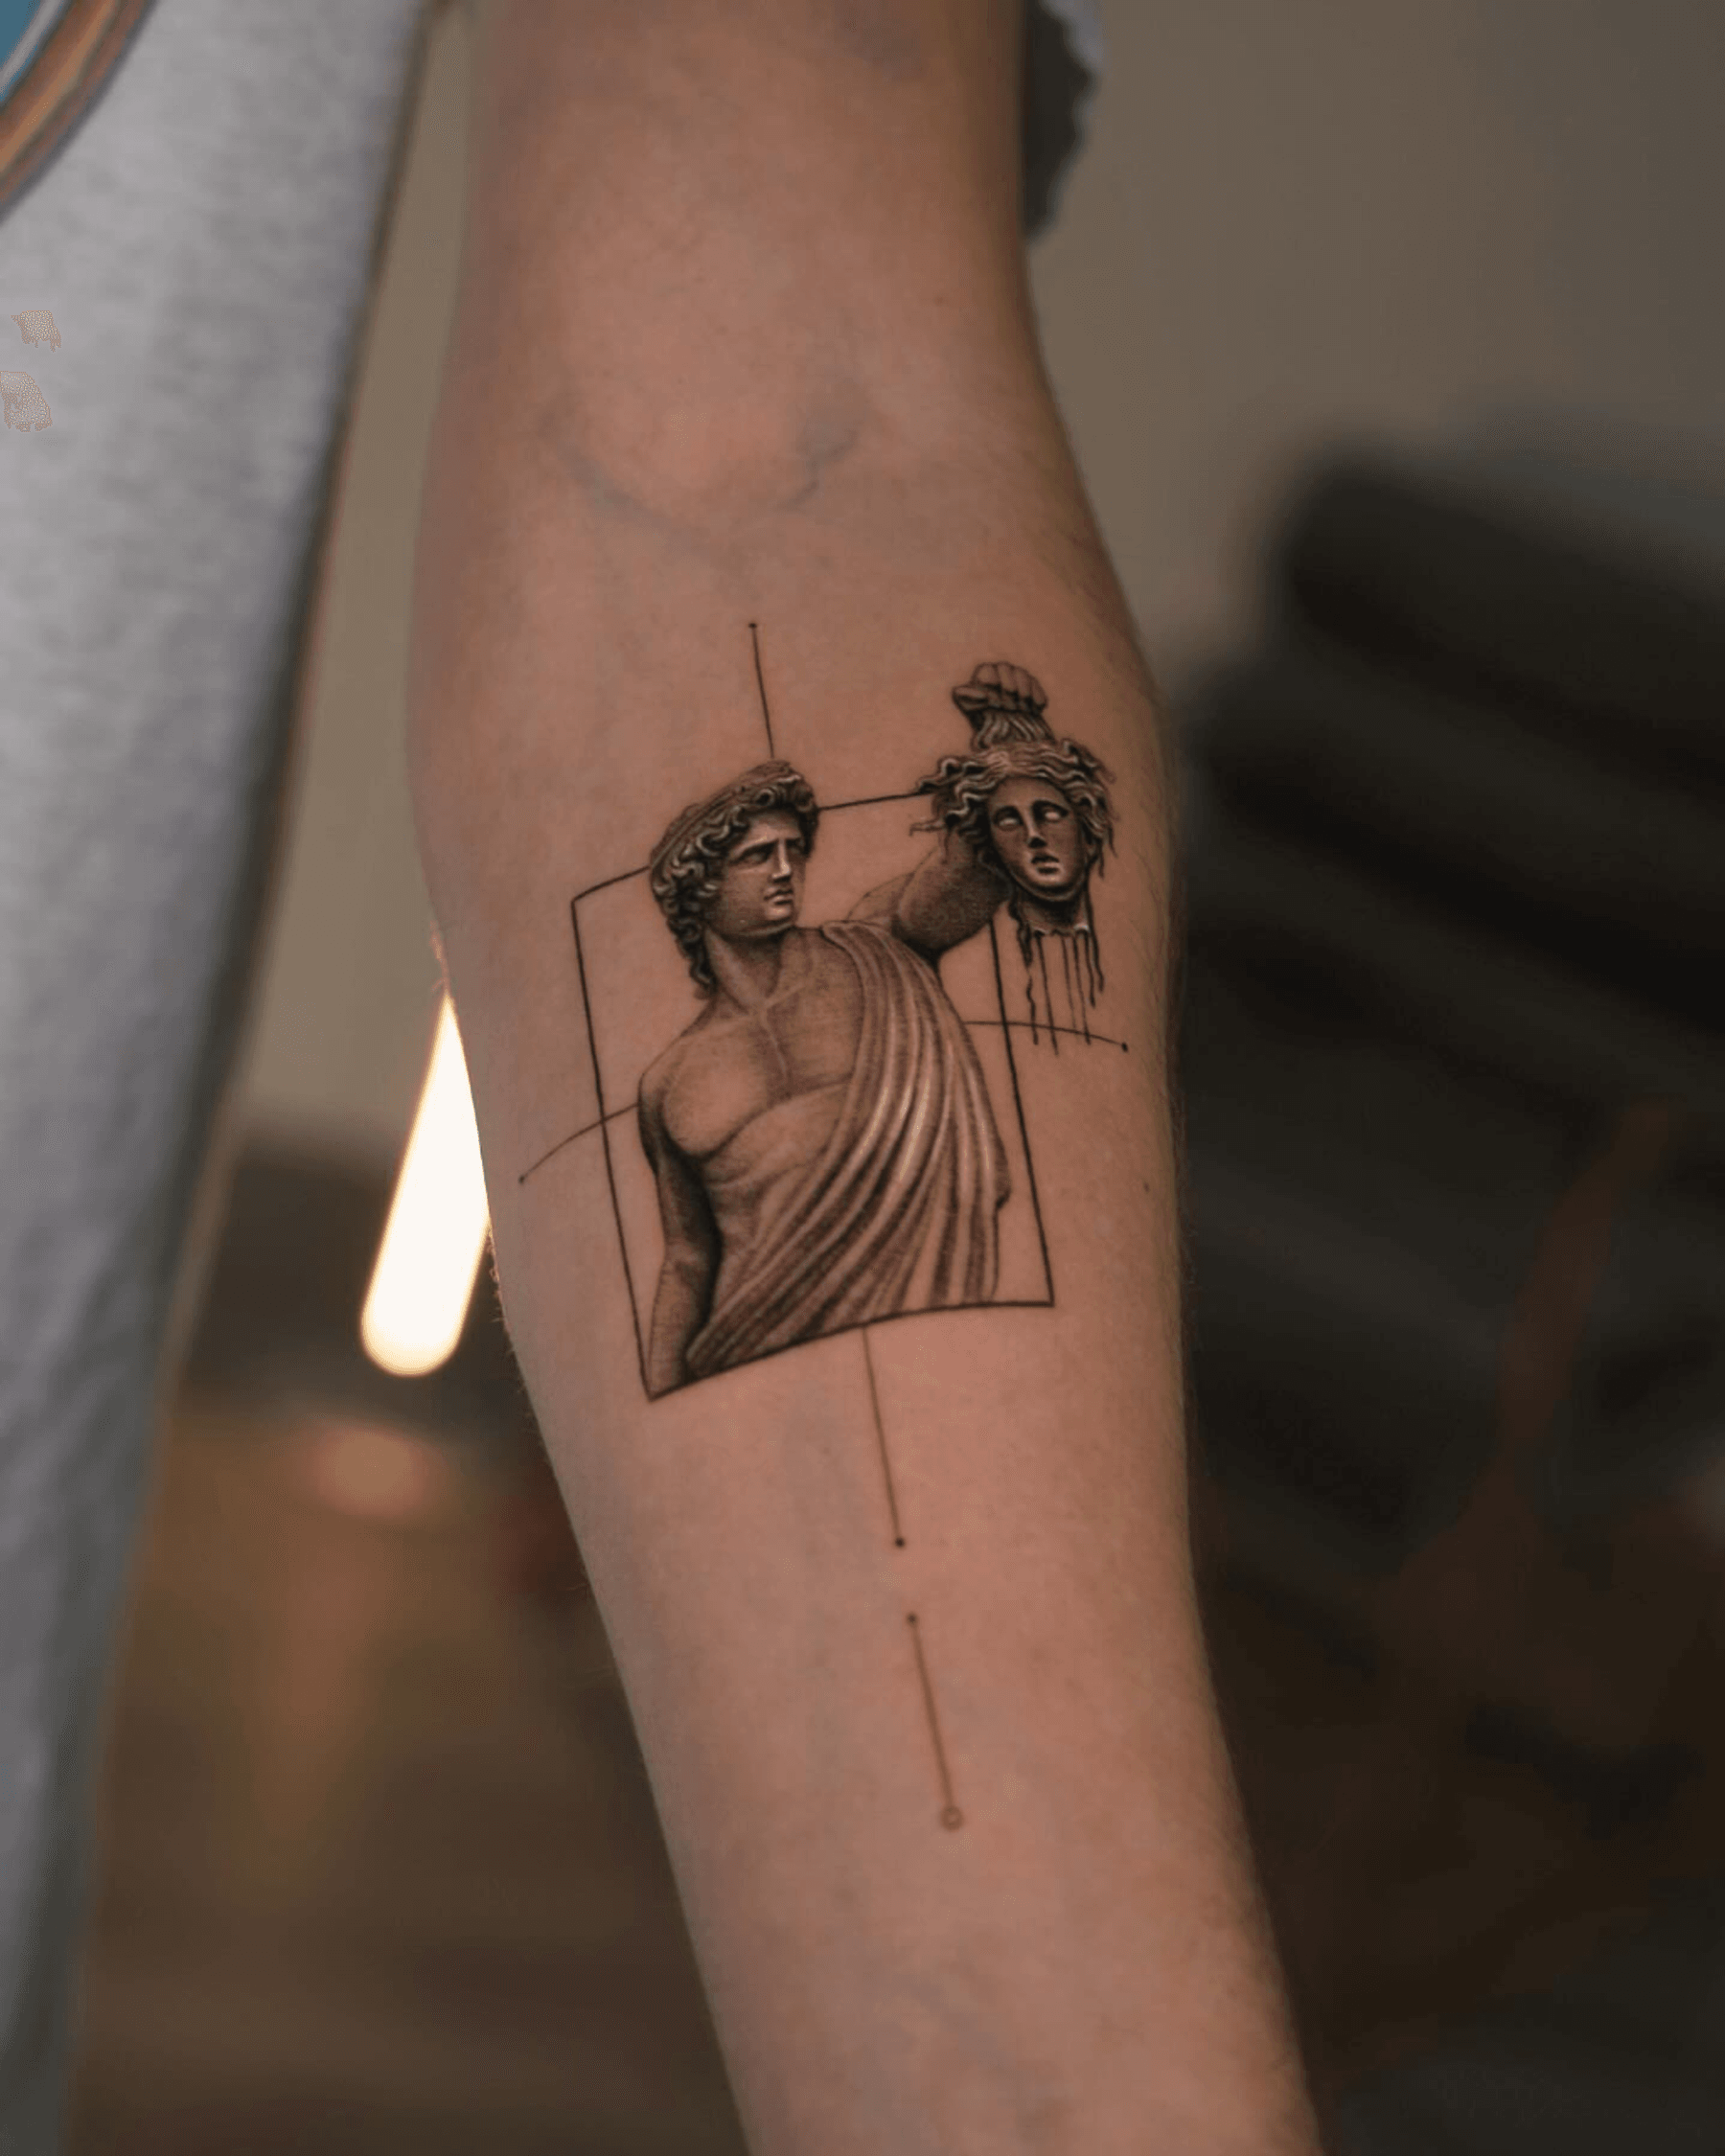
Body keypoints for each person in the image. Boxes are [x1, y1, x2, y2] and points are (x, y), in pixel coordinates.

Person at [0, 4, 1321, 2152]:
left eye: (805, 853)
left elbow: (763, 460)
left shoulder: (862, 957)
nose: (795, 873)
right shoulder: (699, 1072)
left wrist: (1028, 2095)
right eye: (765, 861)